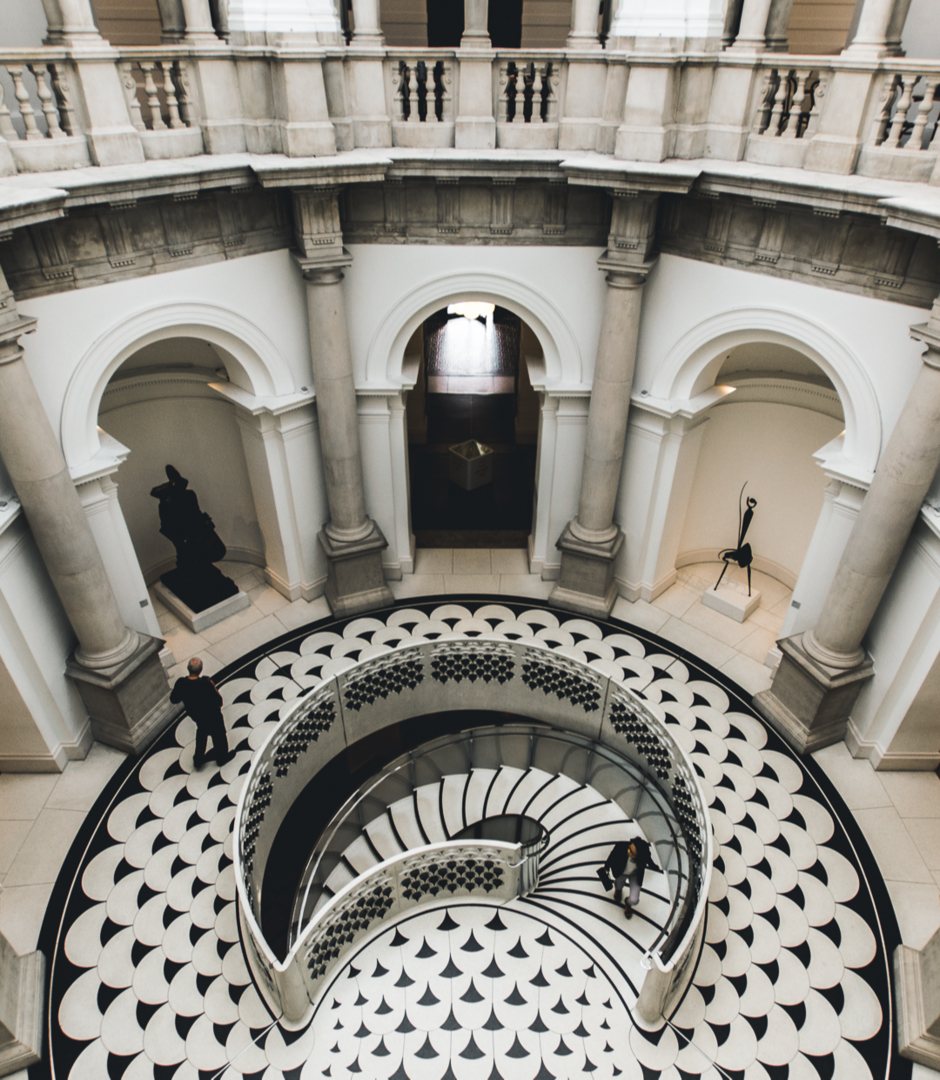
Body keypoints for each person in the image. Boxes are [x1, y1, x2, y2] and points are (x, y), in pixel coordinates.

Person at [170, 657, 232, 769]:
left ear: (188, 668)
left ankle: (198, 759)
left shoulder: (181, 683)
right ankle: (222, 757)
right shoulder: (205, 684)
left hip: (196, 716)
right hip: (212, 716)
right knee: (218, 735)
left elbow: (174, 699)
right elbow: (219, 701)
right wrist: (213, 686)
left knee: (202, 732)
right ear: (201, 669)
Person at [600, 837, 653, 919]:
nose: (628, 851)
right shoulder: (621, 846)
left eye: (632, 853)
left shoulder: (643, 854)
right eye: (629, 848)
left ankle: (628, 902)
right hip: (621, 871)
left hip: (635, 874)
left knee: (634, 900)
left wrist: (655, 867)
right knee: (618, 884)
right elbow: (612, 856)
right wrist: (606, 867)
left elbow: (649, 860)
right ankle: (618, 890)